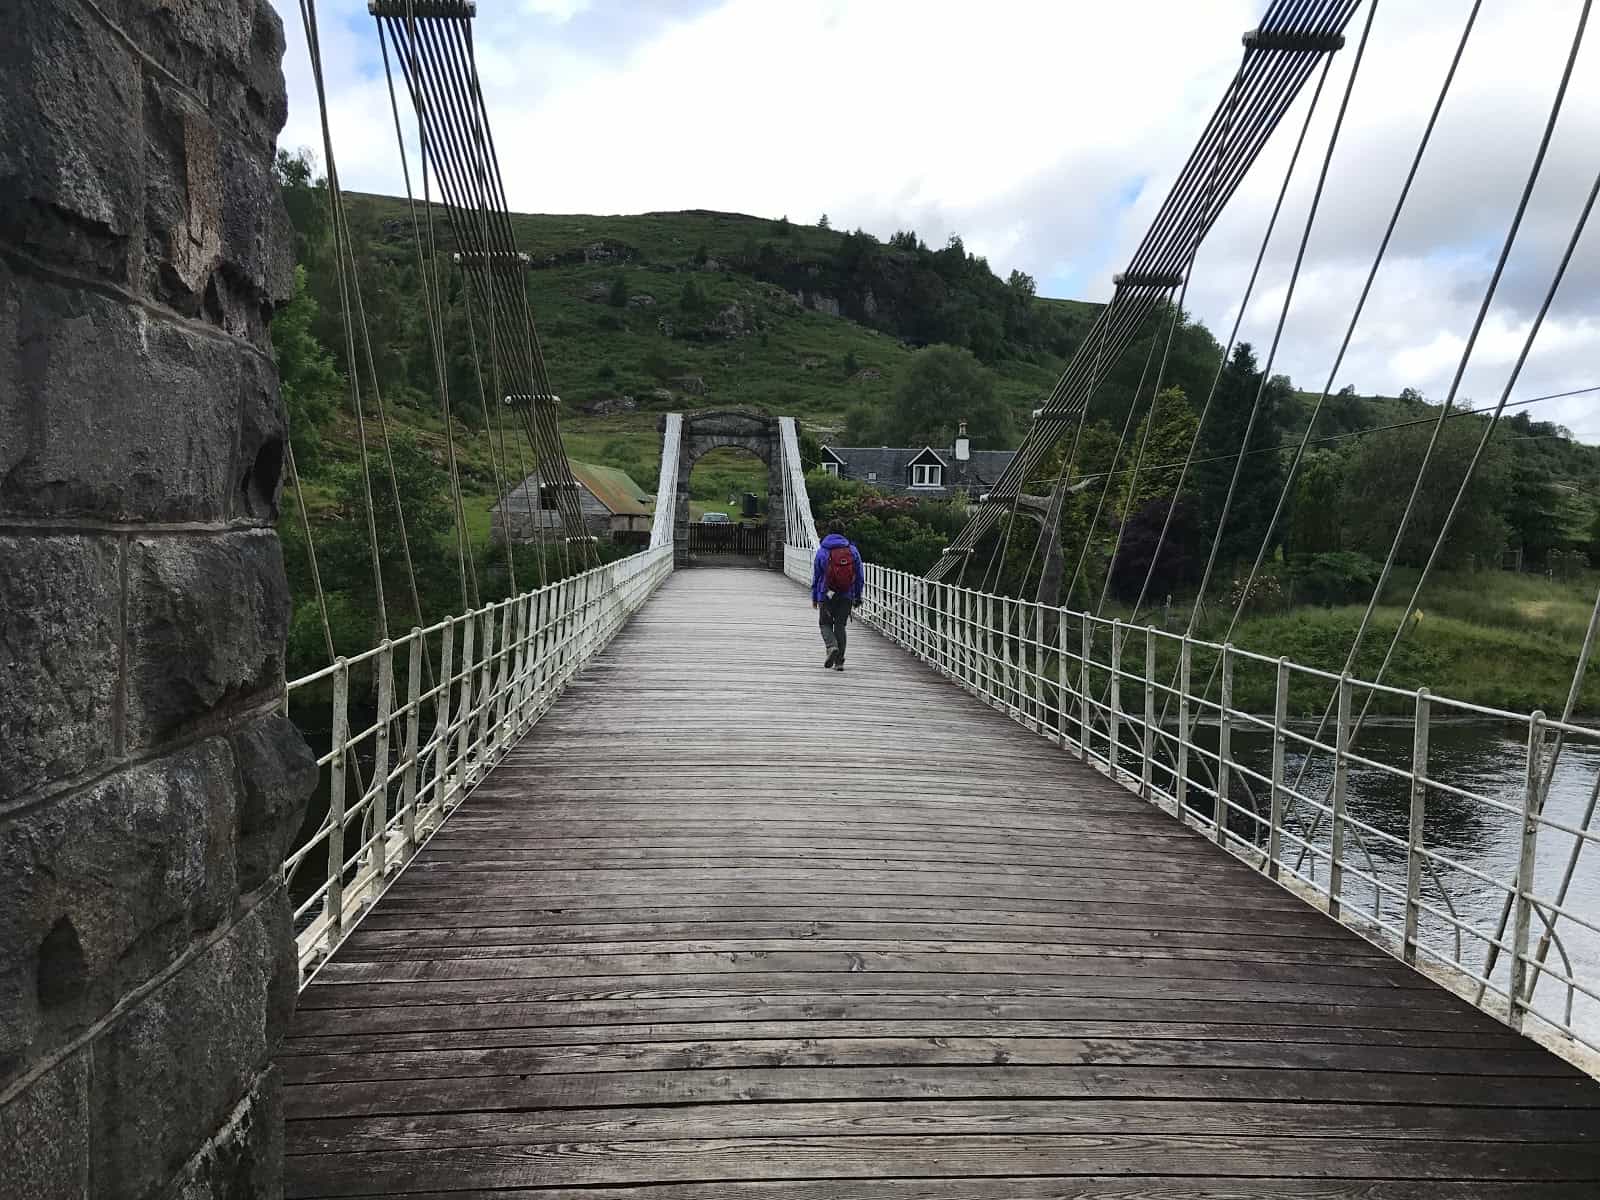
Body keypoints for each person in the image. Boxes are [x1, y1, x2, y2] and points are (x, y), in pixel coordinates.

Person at [811, 519, 864, 671]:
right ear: (843, 532)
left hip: (826, 594)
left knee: (825, 624)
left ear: (829, 532)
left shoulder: (822, 551)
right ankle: (839, 662)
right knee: (840, 626)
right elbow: (859, 576)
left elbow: (817, 575)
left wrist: (815, 597)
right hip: (846, 594)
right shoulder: (852, 550)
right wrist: (858, 596)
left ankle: (831, 647)